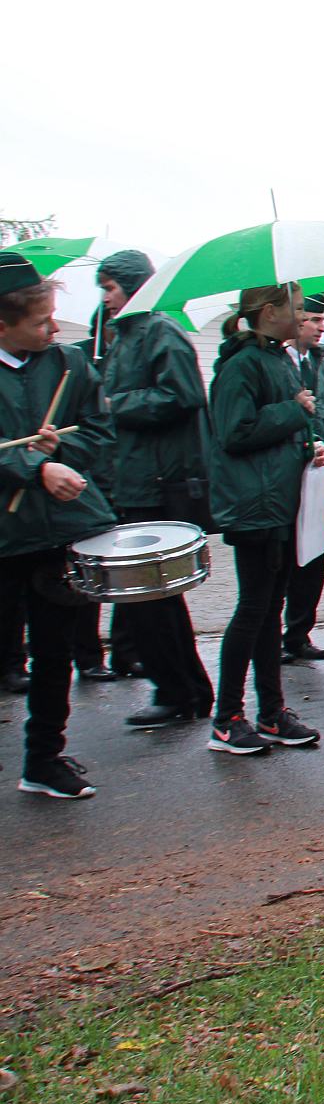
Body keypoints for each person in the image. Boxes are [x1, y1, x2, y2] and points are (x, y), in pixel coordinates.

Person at [0, 253, 117, 798]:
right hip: (5, 539)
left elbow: (100, 431)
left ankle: (43, 761)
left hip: (57, 534)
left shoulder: (68, 363)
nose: (54, 328)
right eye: (40, 321)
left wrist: (63, 453)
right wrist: (35, 468)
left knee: (54, 653)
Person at [92, 249, 216, 729]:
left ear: (133, 286)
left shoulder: (160, 331)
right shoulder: (124, 335)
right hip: (134, 480)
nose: (105, 298)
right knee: (154, 600)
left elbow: (184, 395)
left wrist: (116, 403)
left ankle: (179, 691)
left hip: (158, 484)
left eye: (110, 288)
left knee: (152, 599)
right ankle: (185, 689)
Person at [207, 284, 324, 754]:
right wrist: (293, 412)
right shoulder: (241, 364)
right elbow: (235, 433)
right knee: (253, 610)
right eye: (296, 309)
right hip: (253, 507)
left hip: (278, 503)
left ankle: (272, 711)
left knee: (268, 611)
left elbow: (274, 432)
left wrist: (307, 448)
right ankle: (227, 718)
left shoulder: (277, 357)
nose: (303, 317)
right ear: (269, 311)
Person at [281, 295, 324, 662]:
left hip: (322, 474)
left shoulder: (321, 365)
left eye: (323, 320)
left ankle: (298, 632)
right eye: (314, 319)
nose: (321, 328)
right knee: (284, 558)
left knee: (314, 556)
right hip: (286, 476)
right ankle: (275, 635)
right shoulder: (280, 362)